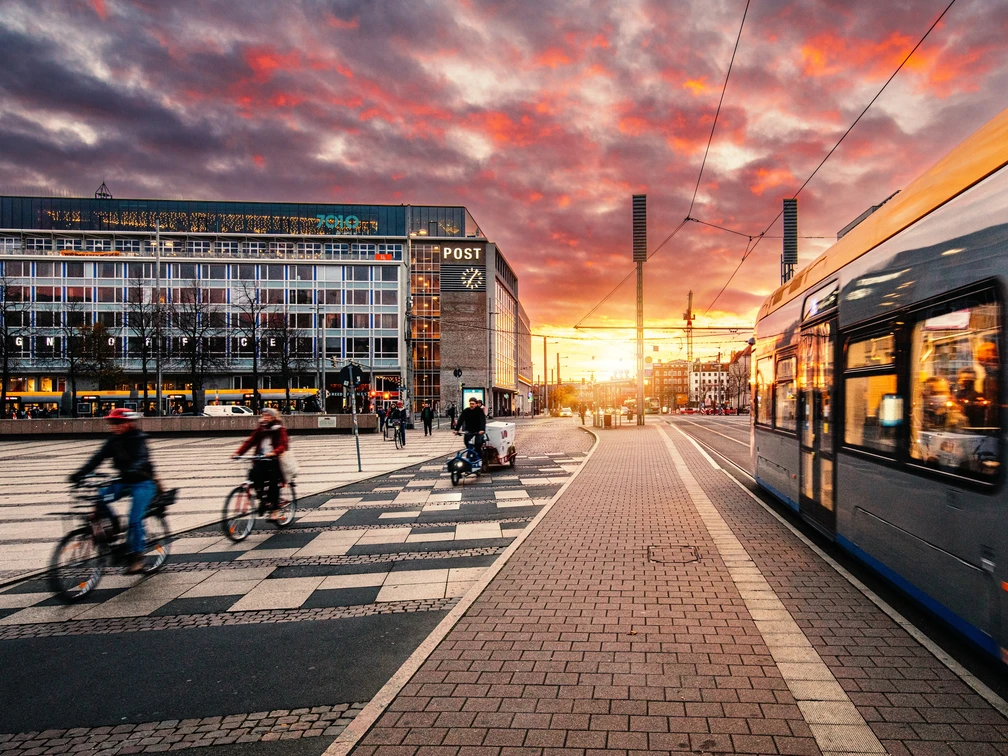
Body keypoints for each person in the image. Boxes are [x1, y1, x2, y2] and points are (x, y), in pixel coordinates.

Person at [69, 408, 158, 574]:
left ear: (129, 423)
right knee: (99, 498)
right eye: (112, 424)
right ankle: (115, 525)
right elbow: (97, 458)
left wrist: (133, 468)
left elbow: (141, 458)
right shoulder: (113, 441)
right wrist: (79, 474)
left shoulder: (139, 439)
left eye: (118, 423)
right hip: (123, 482)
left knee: (134, 520)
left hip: (143, 483)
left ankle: (138, 557)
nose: (114, 427)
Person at [233, 408, 288, 517]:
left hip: (274, 461)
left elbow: (283, 445)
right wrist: (238, 453)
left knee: (274, 483)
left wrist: (274, 452)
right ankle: (263, 499)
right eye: (264, 415)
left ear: (273, 417)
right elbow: (250, 442)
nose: (265, 417)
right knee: (253, 476)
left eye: (268, 415)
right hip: (260, 460)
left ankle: (275, 509)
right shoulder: (260, 429)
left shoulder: (279, 429)